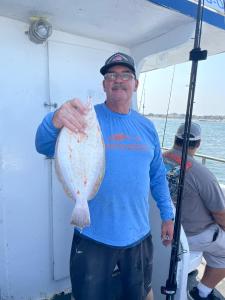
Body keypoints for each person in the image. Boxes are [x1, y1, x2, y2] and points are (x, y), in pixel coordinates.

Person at [35, 52, 174, 300]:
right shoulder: (84, 118)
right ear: (104, 84)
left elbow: (158, 175)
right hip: (92, 235)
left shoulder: (147, 127)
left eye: (125, 75)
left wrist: (167, 215)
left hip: (139, 235)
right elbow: (44, 146)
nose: (118, 80)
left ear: (135, 83)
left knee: (139, 295)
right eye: (111, 75)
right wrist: (55, 119)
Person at [163, 122, 225, 300]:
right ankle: (201, 292)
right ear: (198, 144)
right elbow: (220, 215)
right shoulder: (202, 174)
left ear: (175, 139)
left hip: (161, 229)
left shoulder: (156, 160)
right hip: (190, 237)